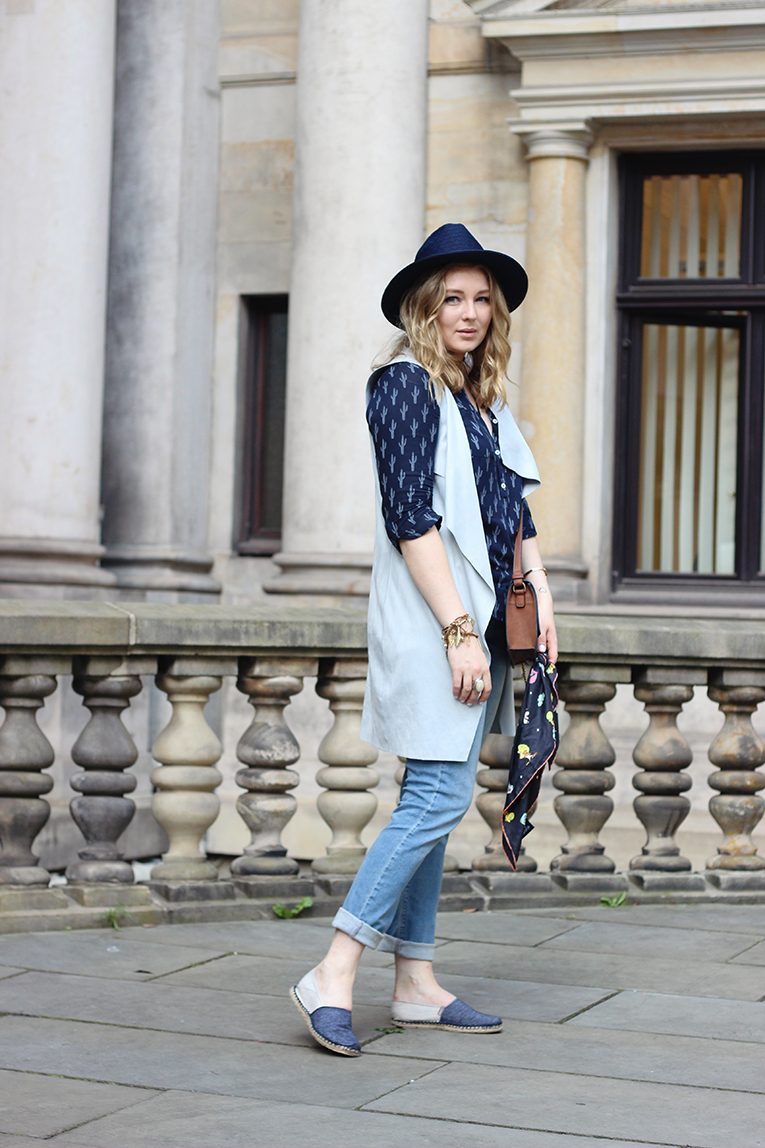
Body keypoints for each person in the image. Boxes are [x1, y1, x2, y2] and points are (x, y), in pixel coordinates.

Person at [290, 223, 558, 1057]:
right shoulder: (404, 386)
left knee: (434, 802)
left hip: (481, 625)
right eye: (453, 299)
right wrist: (457, 633)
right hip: (435, 624)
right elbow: (412, 519)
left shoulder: (480, 399)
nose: (469, 313)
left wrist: (540, 594)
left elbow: (512, 511)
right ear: (423, 307)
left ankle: (414, 982)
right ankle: (333, 970)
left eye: (481, 299)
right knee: (436, 799)